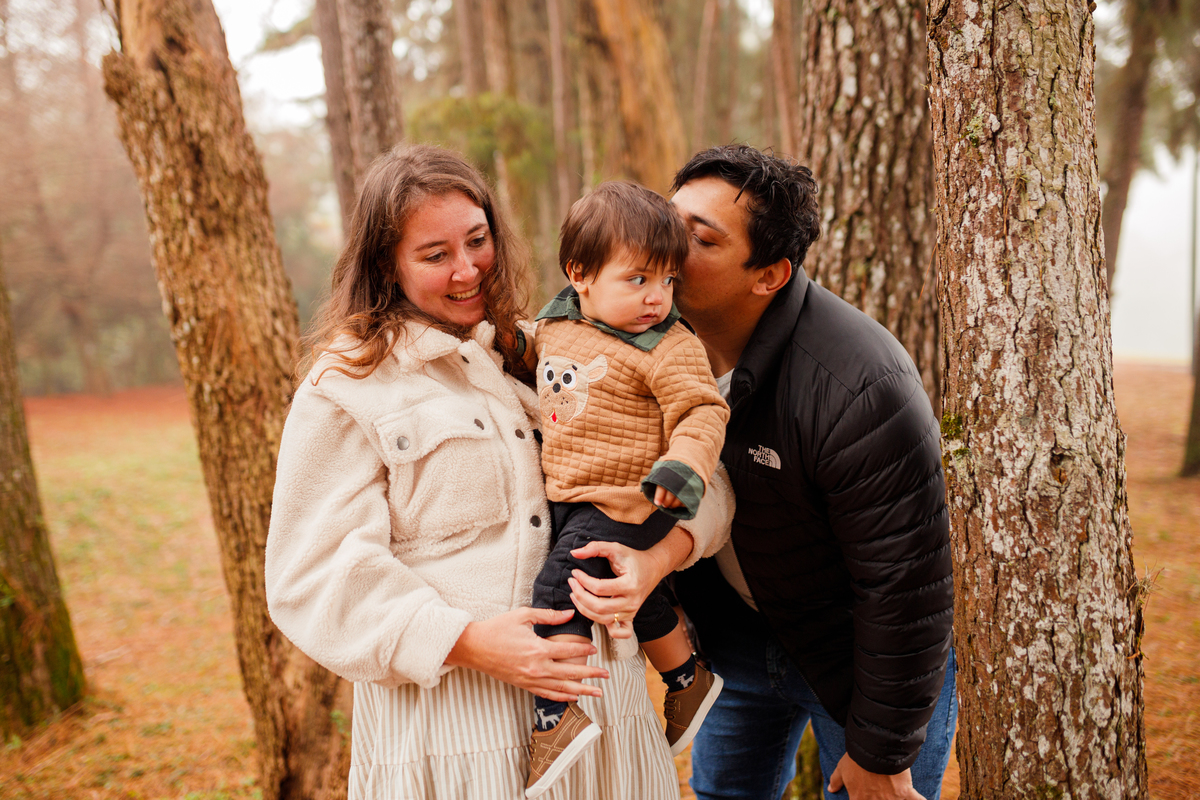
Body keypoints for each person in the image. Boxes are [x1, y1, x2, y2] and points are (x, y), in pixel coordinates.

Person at [263, 144, 731, 800]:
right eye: (435, 255)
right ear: (385, 264)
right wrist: (465, 641)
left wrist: (659, 558)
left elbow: (708, 471)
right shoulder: (346, 386)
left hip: (607, 715)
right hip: (453, 734)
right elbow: (310, 577)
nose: (467, 270)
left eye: (477, 241)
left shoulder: (552, 347)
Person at [567, 144, 956, 800]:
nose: (662, 247)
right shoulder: (636, 334)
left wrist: (884, 752)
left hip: (856, 658)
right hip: (738, 646)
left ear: (769, 275)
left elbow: (906, 588)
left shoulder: (857, 385)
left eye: (699, 239)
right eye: (668, 219)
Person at [520, 181, 730, 797]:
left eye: (667, 281)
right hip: (574, 495)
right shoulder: (558, 325)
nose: (656, 298)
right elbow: (530, 349)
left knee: (559, 588)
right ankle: (687, 677)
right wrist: (504, 343)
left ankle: (556, 713)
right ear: (579, 275)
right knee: (629, 596)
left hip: (633, 496)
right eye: (638, 280)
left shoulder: (670, 346)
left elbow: (702, 412)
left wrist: (683, 468)